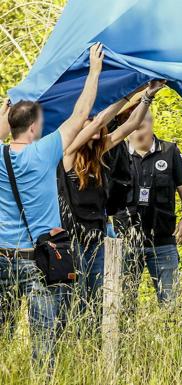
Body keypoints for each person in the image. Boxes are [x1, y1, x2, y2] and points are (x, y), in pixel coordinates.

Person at [0, 43, 103, 363]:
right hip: (40, 259)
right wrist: (94, 70)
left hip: (1, 257)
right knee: (44, 346)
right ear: (33, 127)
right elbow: (81, 115)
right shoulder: (45, 152)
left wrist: (4, 112)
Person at [59, 80, 165, 318]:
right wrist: (130, 91)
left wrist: (147, 95)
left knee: (96, 301)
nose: (98, 126)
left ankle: (90, 347)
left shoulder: (100, 152)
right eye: (91, 123)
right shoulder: (67, 154)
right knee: (75, 299)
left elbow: (131, 125)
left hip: (97, 237)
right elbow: (97, 120)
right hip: (74, 239)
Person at [112, 108, 182, 306]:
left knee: (171, 306)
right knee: (123, 306)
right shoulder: (118, 152)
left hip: (163, 242)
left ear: (151, 124)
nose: (137, 132)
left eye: (142, 126)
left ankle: (171, 338)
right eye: (133, 127)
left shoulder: (170, 151)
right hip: (126, 244)